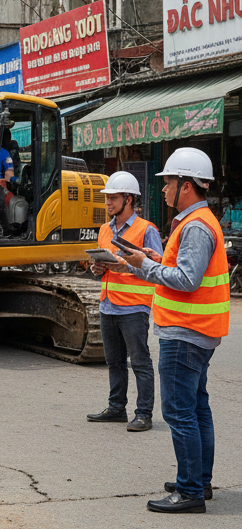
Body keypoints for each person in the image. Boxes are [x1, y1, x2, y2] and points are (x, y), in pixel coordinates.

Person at [119, 148, 230, 514]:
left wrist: (143, 265)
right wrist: (150, 260)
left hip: (185, 333)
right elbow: (182, 268)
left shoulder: (195, 226)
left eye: (167, 182)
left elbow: (185, 279)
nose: (164, 189)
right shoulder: (196, 221)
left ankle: (190, 491)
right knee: (196, 408)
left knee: (180, 412)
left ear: (186, 185)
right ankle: (199, 481)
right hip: (196, 332)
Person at [86, 171, 160, 432]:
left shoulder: (147, 230)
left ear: (129, 199)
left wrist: (125, 266)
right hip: (108, 304)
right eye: (107, 198)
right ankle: (116, 408)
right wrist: (98, 269)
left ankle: (144, 414)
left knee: (140, 362)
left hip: (133, 307)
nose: (108, 202)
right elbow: (105, 267)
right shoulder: (104, 230)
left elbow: (157, 269)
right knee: (114, 361)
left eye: (114, 198)